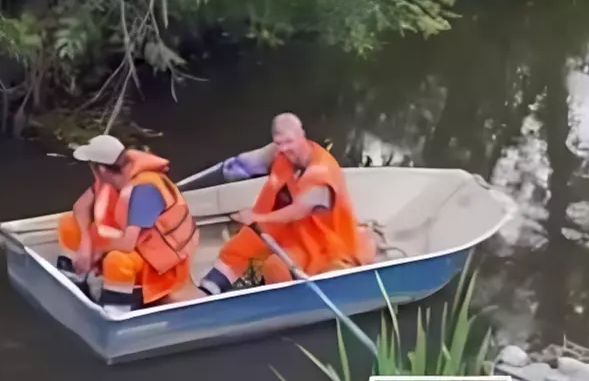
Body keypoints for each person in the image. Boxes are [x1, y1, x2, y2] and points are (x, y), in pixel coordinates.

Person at [200, 112, 365, 294]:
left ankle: (282, 300)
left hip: (322, 243)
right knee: (235, 252)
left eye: (289, 142)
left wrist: (255, 217)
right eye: (279, 143)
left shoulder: (321, 172)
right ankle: (211, 289)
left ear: (302, 134)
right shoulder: (279, 152)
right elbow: (246, 163)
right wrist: (230, 170)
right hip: (280, 229)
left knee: (276, 267)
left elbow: (298, 210)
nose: (285, 148)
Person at [56, 134, 197, 309]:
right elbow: (80, 207)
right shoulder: (111, 180)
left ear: (101, 168)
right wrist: (86, 244)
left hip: (160, 265)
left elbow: (127, 244)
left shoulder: (145, 189)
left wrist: (98, 252)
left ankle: (117, 311)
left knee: (117, 260)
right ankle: (75, 285)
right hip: (132, 245)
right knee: (69, 223)